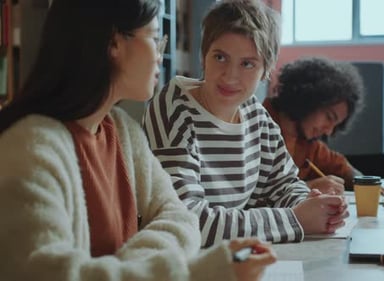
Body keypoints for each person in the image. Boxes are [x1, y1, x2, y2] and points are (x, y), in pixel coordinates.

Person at [0, 0, 276, 280]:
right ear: (114, 43)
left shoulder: (122, 131)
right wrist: (193, 274)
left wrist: (133, 270)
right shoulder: (31, 146)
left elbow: (181, 217)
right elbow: (43, 274)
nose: (159, 54)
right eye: (155, 38)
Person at [143, 0, 348, 248]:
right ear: (203, 56)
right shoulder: (173, 108)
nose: (230, 75)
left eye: (247, 63)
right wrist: (297, 219)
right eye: (220, 57)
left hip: (234, 259)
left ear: (265, 71)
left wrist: (314, 204)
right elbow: (187, 221)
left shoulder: (256, 115)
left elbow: (282, 186)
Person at [263, 57, 365, 191]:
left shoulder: (309, 143)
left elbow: (342, 168)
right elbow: (247, 198)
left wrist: (370, 186)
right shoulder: (258, 125)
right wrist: (308, 187)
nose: (329, 131)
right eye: (329, 117)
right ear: (309, 99)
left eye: (336, 125)